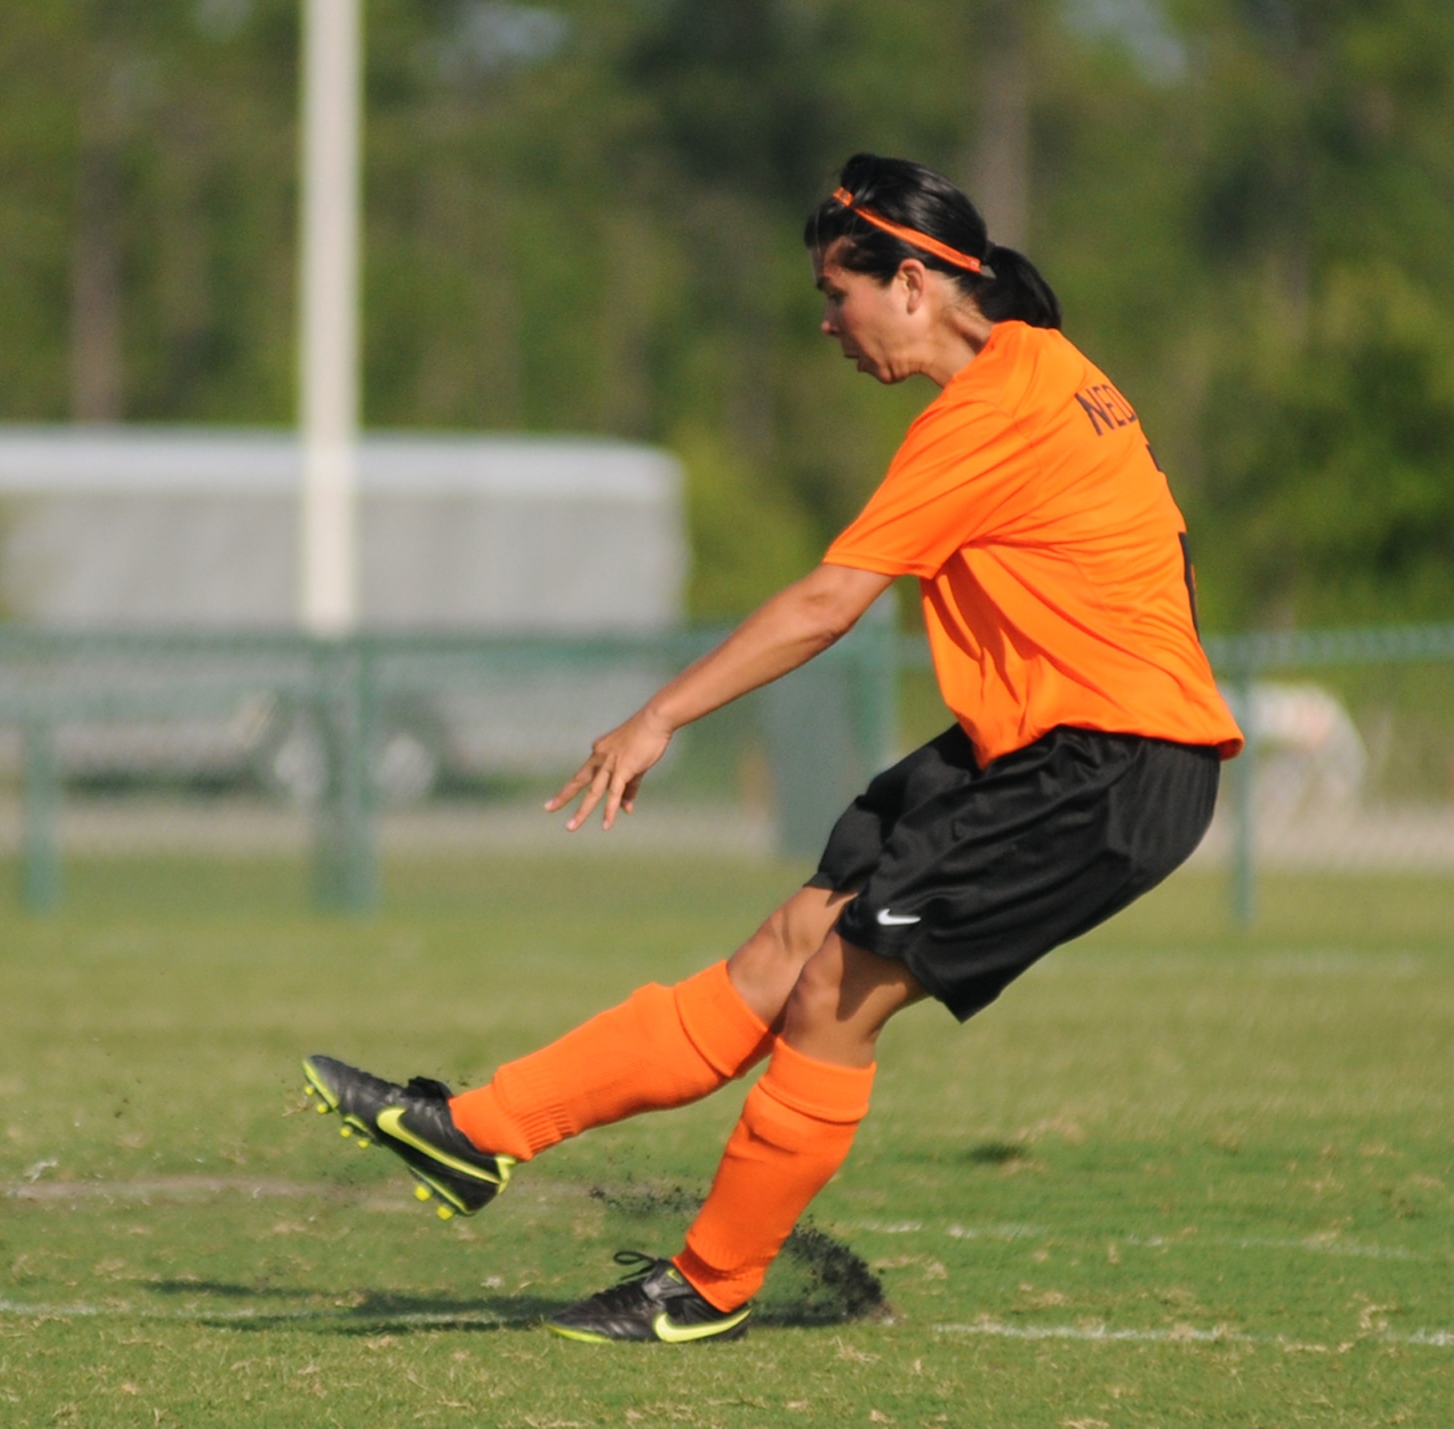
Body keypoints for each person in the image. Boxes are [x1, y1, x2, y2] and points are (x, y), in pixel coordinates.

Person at [301, 152, 1243, 1345]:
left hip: (1108, 765)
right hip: (1036, 745)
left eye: (835, 291)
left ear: (911, 282)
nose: (825, 321)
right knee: (785, 948)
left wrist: (658, 716)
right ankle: (471, 1135)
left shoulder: (993, 407)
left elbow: (823, 605)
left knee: (832, 998)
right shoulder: (1041, 367)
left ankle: (706, 1288)